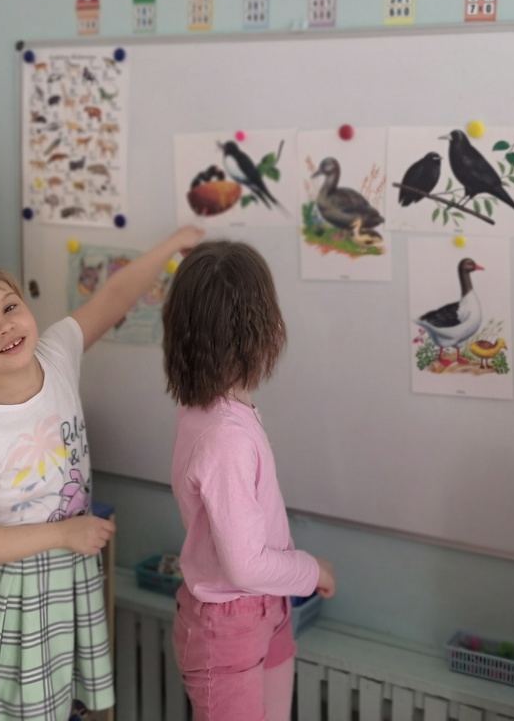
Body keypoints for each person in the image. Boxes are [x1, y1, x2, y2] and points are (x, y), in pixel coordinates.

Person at [0, 226, 201, 721]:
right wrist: (63, 533)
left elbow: (113, 297)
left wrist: (173, 245)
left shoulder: (56, 354)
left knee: (62, 704)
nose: (4, 326)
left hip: (64, 568)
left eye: (9, 307)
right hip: (10, 589)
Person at [161, 239, 336, 721]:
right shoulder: (225, 436)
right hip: (229, 625)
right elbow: (244, 566)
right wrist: (312, 571)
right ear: (265, 330)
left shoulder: (212, 411)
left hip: (266, 609)